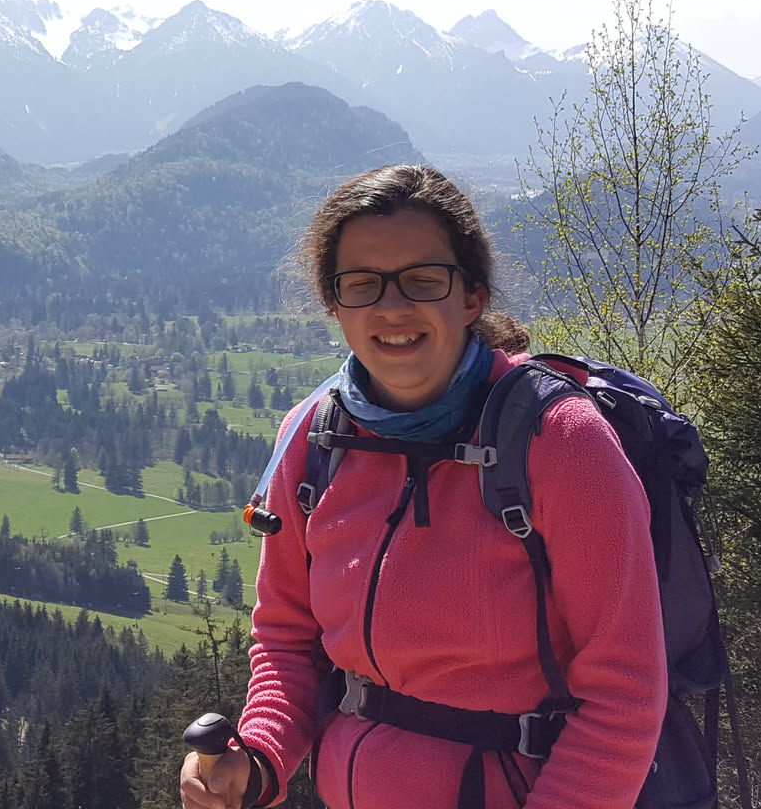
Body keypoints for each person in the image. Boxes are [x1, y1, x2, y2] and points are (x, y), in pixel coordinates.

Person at [181, 164, 666, 809]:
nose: (392, 307)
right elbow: (287, 640)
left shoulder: (560, 441)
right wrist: (260, 758)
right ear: (334, 304)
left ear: (472, 296)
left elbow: (624, 694)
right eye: (362, 284)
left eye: (423, 279)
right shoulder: (312, 438)